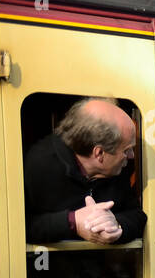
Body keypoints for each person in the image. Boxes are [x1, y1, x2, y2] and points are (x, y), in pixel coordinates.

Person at [25, 97, 146, 245]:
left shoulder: (115, 170)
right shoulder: (37, 165)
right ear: (99, 153)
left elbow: (137, 216)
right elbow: (16, 226)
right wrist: (73, 222)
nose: (132, 156)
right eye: (127, 150)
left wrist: (115, 226)